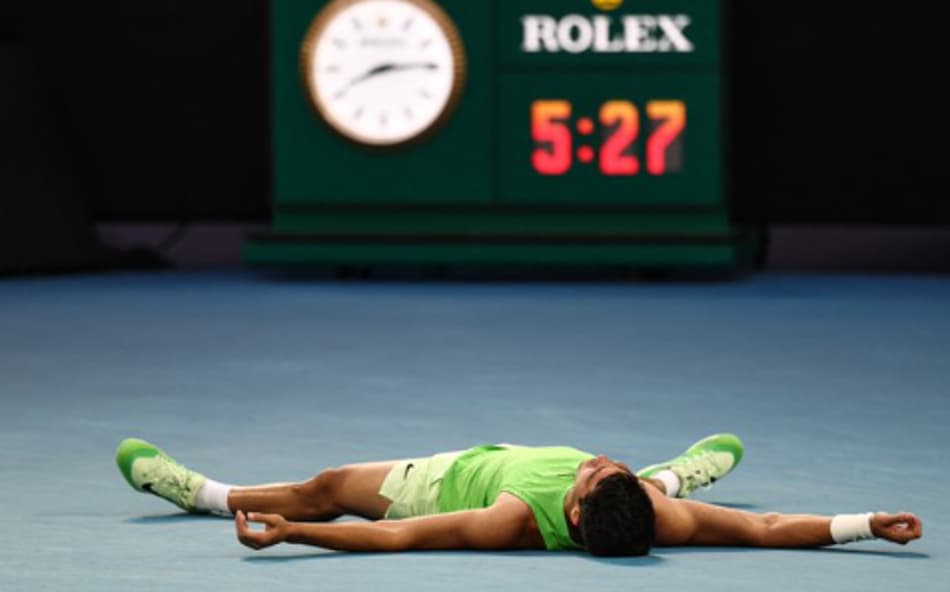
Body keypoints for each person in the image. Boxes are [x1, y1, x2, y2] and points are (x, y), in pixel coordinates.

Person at [114, 434, 922, 556]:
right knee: (680, 490)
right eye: (619, 473)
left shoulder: (510, 520)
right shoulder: (645, 513)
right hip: (504, 462)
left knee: (328, 489)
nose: (602, 461)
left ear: (572, 512)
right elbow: (767, 525)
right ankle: (684, 469)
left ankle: (209, 495)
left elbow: (395, 541)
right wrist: (864, 525)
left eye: (598, 476)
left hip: (434, 485)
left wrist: (294, 531)